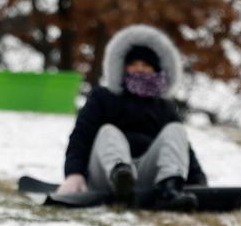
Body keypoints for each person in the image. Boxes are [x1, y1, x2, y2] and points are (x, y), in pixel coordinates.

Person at [57, 24, 208, 211]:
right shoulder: (103, 98)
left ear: (156, 70)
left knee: (176, 130)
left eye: (145, 65)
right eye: (134, 64)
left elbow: (180, 147)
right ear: (124, 67)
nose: (139, 69)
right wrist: (74, 174)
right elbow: (81, 137)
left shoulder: (164, 107)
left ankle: (170, 188)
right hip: (105, 173)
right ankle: (121, 178)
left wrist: (199, 183)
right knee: (108, 131)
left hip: (146, 173)